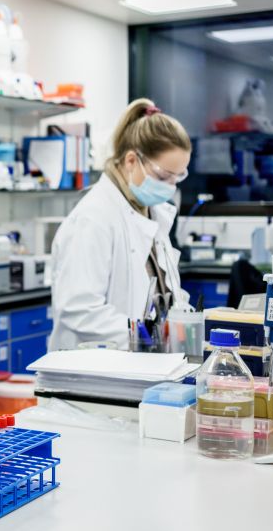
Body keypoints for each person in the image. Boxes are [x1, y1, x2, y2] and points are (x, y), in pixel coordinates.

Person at [48, 98, 192, 351]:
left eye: (178, 177)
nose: (170, 187)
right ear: (131, 161)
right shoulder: (94, 218)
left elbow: (162, 293)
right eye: (163, 176)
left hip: (140, 366)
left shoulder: (150, 213)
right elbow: (78, 308)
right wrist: (147, 335)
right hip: (95, 375)